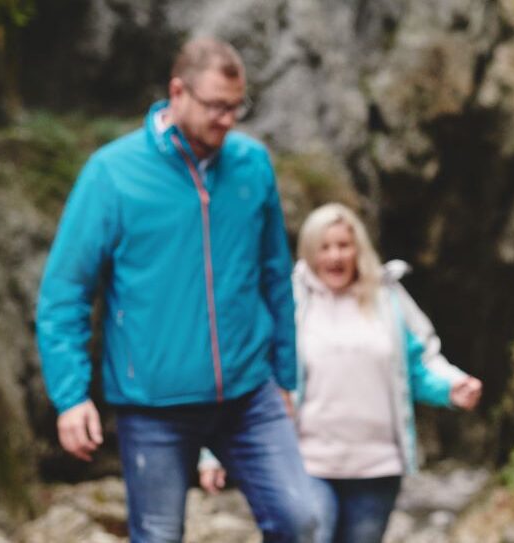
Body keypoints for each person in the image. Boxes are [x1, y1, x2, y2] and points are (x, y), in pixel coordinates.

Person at [35, 36, 320, 543]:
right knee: (160, 536)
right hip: (153, 402)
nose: (228, 120)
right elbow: (66, 292)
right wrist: (71, 395)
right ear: (177, 92)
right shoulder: (112, 174)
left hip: (249, 393)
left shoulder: (252, 164)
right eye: (216, 106)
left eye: (237, 107)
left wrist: (285, 374)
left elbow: (275, 274)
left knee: (300, 518)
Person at [198, 203, 484, 543]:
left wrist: (452, 386)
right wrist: (214, 451)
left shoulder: (387, 297)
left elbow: (419, 363)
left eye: (343, 246)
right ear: (308, 252)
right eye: (325, 246)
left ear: (358, 249)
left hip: (376, 466)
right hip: (304, 462)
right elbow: (250, 378)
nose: (335, 255)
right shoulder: (288, 302)